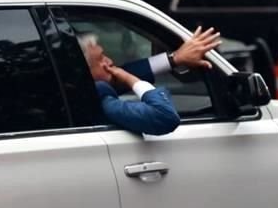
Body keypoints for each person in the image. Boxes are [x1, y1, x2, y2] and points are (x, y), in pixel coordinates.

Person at [79, 26, 221, 135]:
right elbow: (165, 115)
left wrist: (175, 58)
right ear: (83, 71)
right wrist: (130, 79)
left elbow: (118, 74)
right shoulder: (99, 99)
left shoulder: (75, 92)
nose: (110, 62)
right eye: (101, 59)